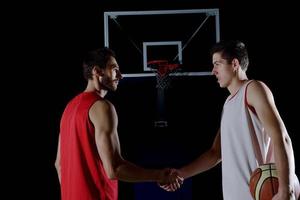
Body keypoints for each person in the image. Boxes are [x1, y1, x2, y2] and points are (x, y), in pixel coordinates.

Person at [160, 40, 300, 200]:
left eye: (217, 64)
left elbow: (281, 137)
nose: (213, 71)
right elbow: (215, 153)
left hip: (259, 195)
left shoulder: (253, 88)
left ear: (234, 63)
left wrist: (286, 189)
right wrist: (181, 173)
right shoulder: (228, 104)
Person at [54, 47, 183, 200]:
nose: (120, 76)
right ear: (97, 71)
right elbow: (114, 169)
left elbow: (59, 165)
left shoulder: (69, 108)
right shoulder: (102, 107)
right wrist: (159, 175)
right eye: (115, 70)